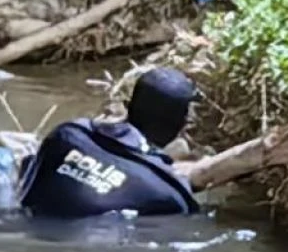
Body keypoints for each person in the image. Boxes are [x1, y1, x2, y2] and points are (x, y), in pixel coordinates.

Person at [18, 67, 200, 219]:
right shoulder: (170, 194)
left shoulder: (67, 136)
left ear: (127, 105)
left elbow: (24, 189)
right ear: (180, 124)